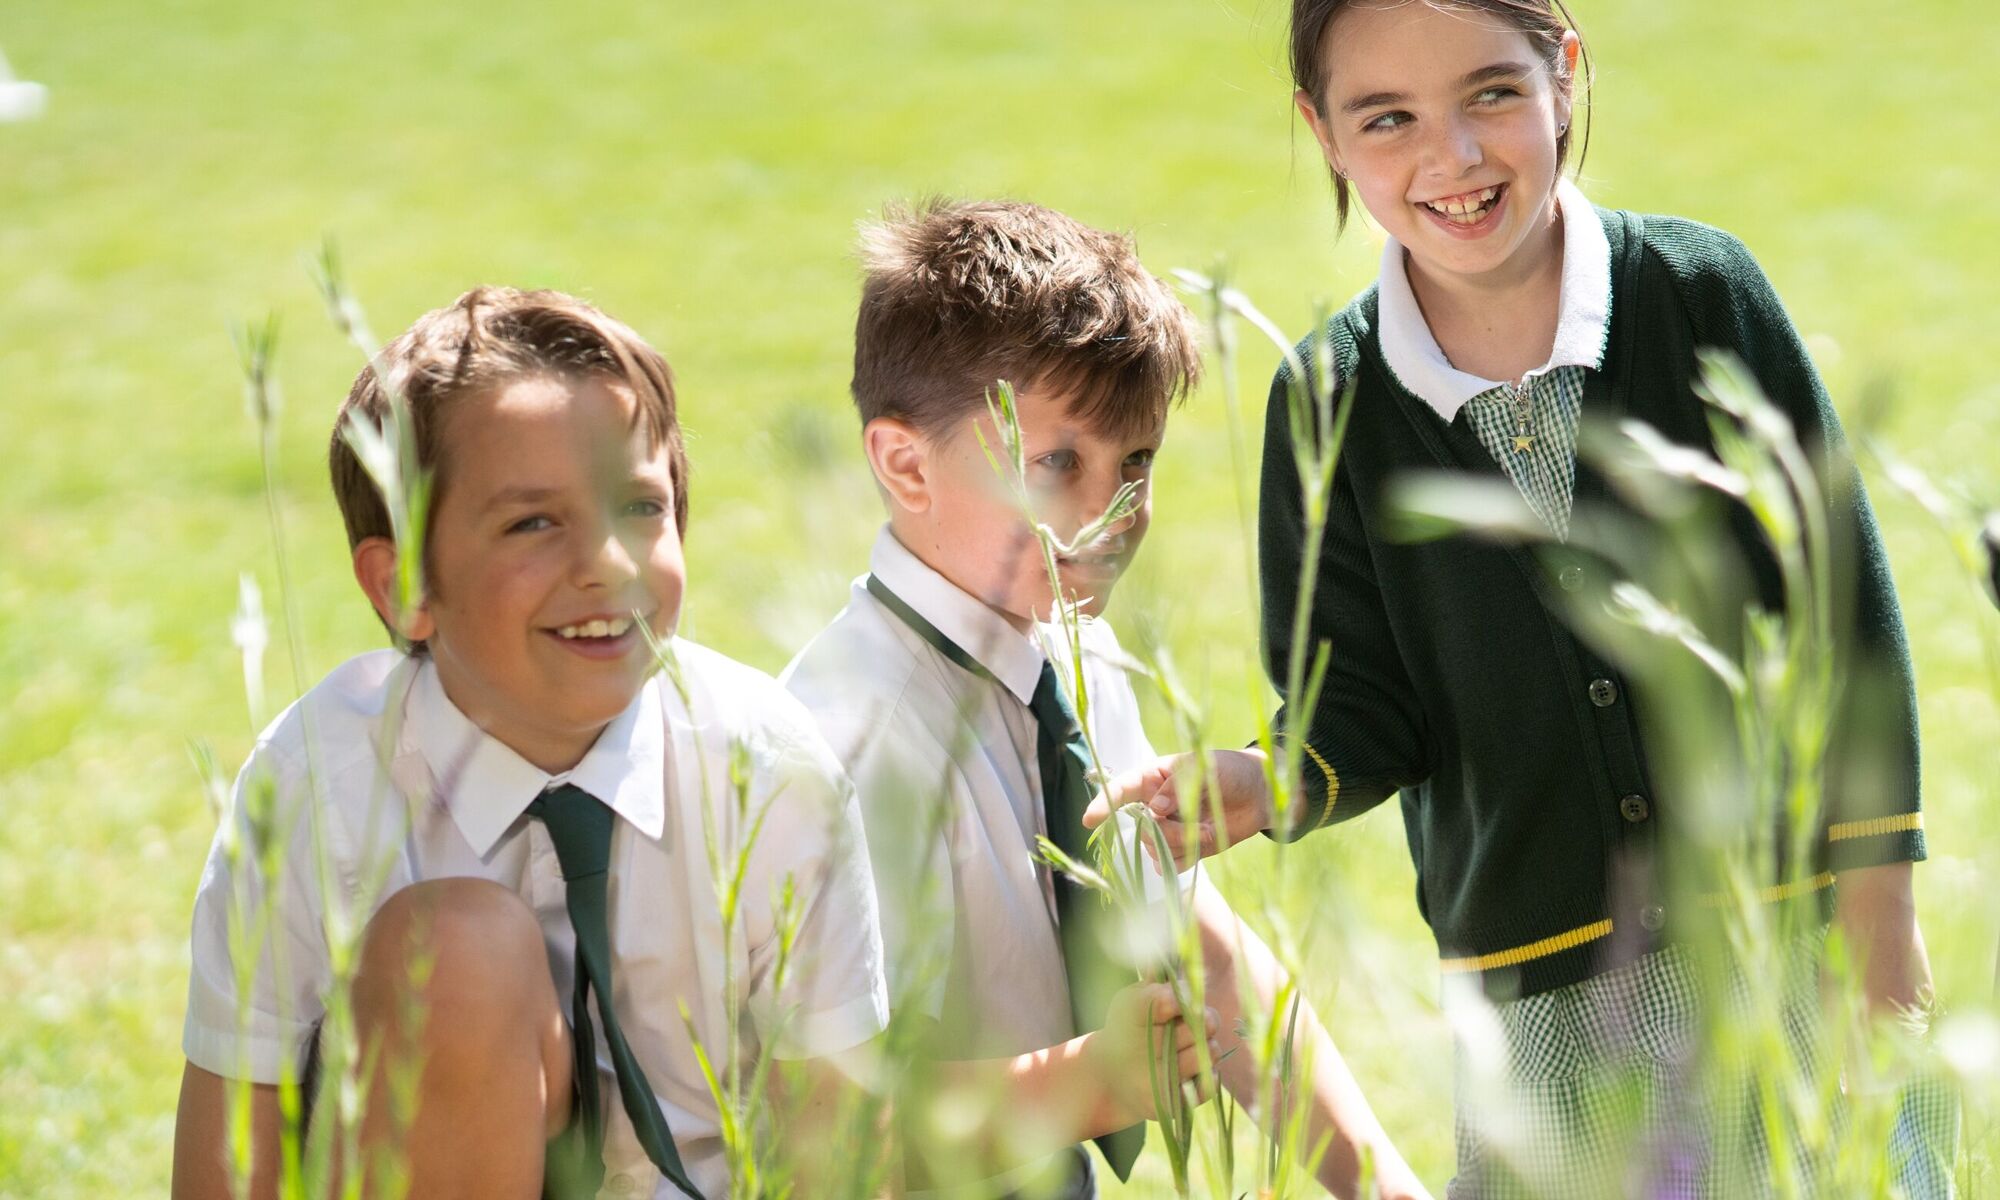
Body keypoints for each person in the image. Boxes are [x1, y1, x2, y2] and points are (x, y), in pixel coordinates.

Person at [1088, 1, 1949, 1193]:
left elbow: (1840, 618)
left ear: (1564, 79)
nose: (1451, 159)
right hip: (1545, 1010)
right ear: (1320, 133)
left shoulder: (1700, 294)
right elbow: (1357, 712)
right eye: (1385, 117)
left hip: (1787, 944)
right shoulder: (1321, 399)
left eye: (1490, 94)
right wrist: (1263, 779)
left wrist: (1879, 917)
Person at [171, 287, 888, 1200]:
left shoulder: (768, 769)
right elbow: (231, 1159)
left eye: (639, 508)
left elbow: (842, 1149)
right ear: (403, 588)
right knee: (456, 955)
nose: (608, 564)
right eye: (534, 523)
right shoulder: (317, 785)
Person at [783, 198, 1428, 1199]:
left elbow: (1204, 955)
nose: (1109, 511)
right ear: (903, 462)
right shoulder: (839, 745)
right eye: (1055, 464)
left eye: (1136, 463)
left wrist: (1382, 1188)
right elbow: (812, 1129)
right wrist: (1081, 1085)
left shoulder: (1078, 655)